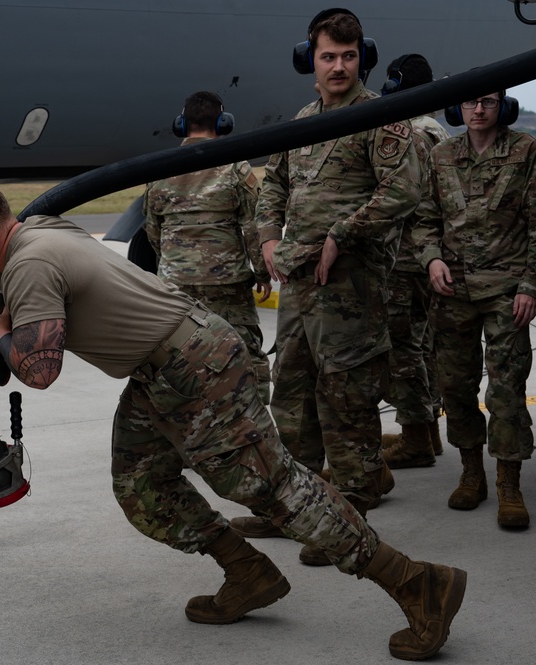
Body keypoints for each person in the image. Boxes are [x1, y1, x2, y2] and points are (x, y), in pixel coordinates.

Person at [0, 175, 467, 661]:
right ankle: (247, 572)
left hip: (193, 366)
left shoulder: (30, 262)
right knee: (141, 483)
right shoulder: (38, 230)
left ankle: (416, 583)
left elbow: (41, 372)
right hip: (161, 369)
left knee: (276, 489)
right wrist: (2, 339)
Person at [232, 9, 418, 560]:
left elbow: (404, 191)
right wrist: (267, 240)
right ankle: (299, 506)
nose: (338, 66)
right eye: (328, 56)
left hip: (350, 286)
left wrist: (343, 232)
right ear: (309, 59)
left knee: (345, 396)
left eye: (349, 55)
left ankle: (351, 515)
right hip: (299, 283)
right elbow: (274, 185)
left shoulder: (381, 119)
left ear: (364, 56)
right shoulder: (305, 117)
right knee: (291, 393)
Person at [412, 91, 536, 528]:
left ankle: (508, 484)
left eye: (489, 102)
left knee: (507, 390)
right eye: (471, 103)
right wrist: (431, 258)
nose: (479, 110)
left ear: (502, 108)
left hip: (506, 292)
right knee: (455, 388)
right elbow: (423, 219)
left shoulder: (525, 151)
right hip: (452, 291)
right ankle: (471, 472)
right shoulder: (441, 156)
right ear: (458, 109)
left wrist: (532, 286)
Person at [144, 90, 272, 405]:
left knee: (181, 355)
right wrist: (262, 274)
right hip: (227, 285)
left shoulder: (160, 170)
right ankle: (249, 419)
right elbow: (253, 227)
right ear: (223, 122)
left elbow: (152, 229)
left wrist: (173, 264)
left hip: (177, 286)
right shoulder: (236, 168)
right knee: (242, 352)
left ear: (181, 124)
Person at [377, 54, 451, 468]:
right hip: (428, 254)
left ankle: (416, 438)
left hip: (404, 256)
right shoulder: (436, 130)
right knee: (424, 346)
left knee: (402, 349)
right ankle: (430, 432)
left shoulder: (408, 134)